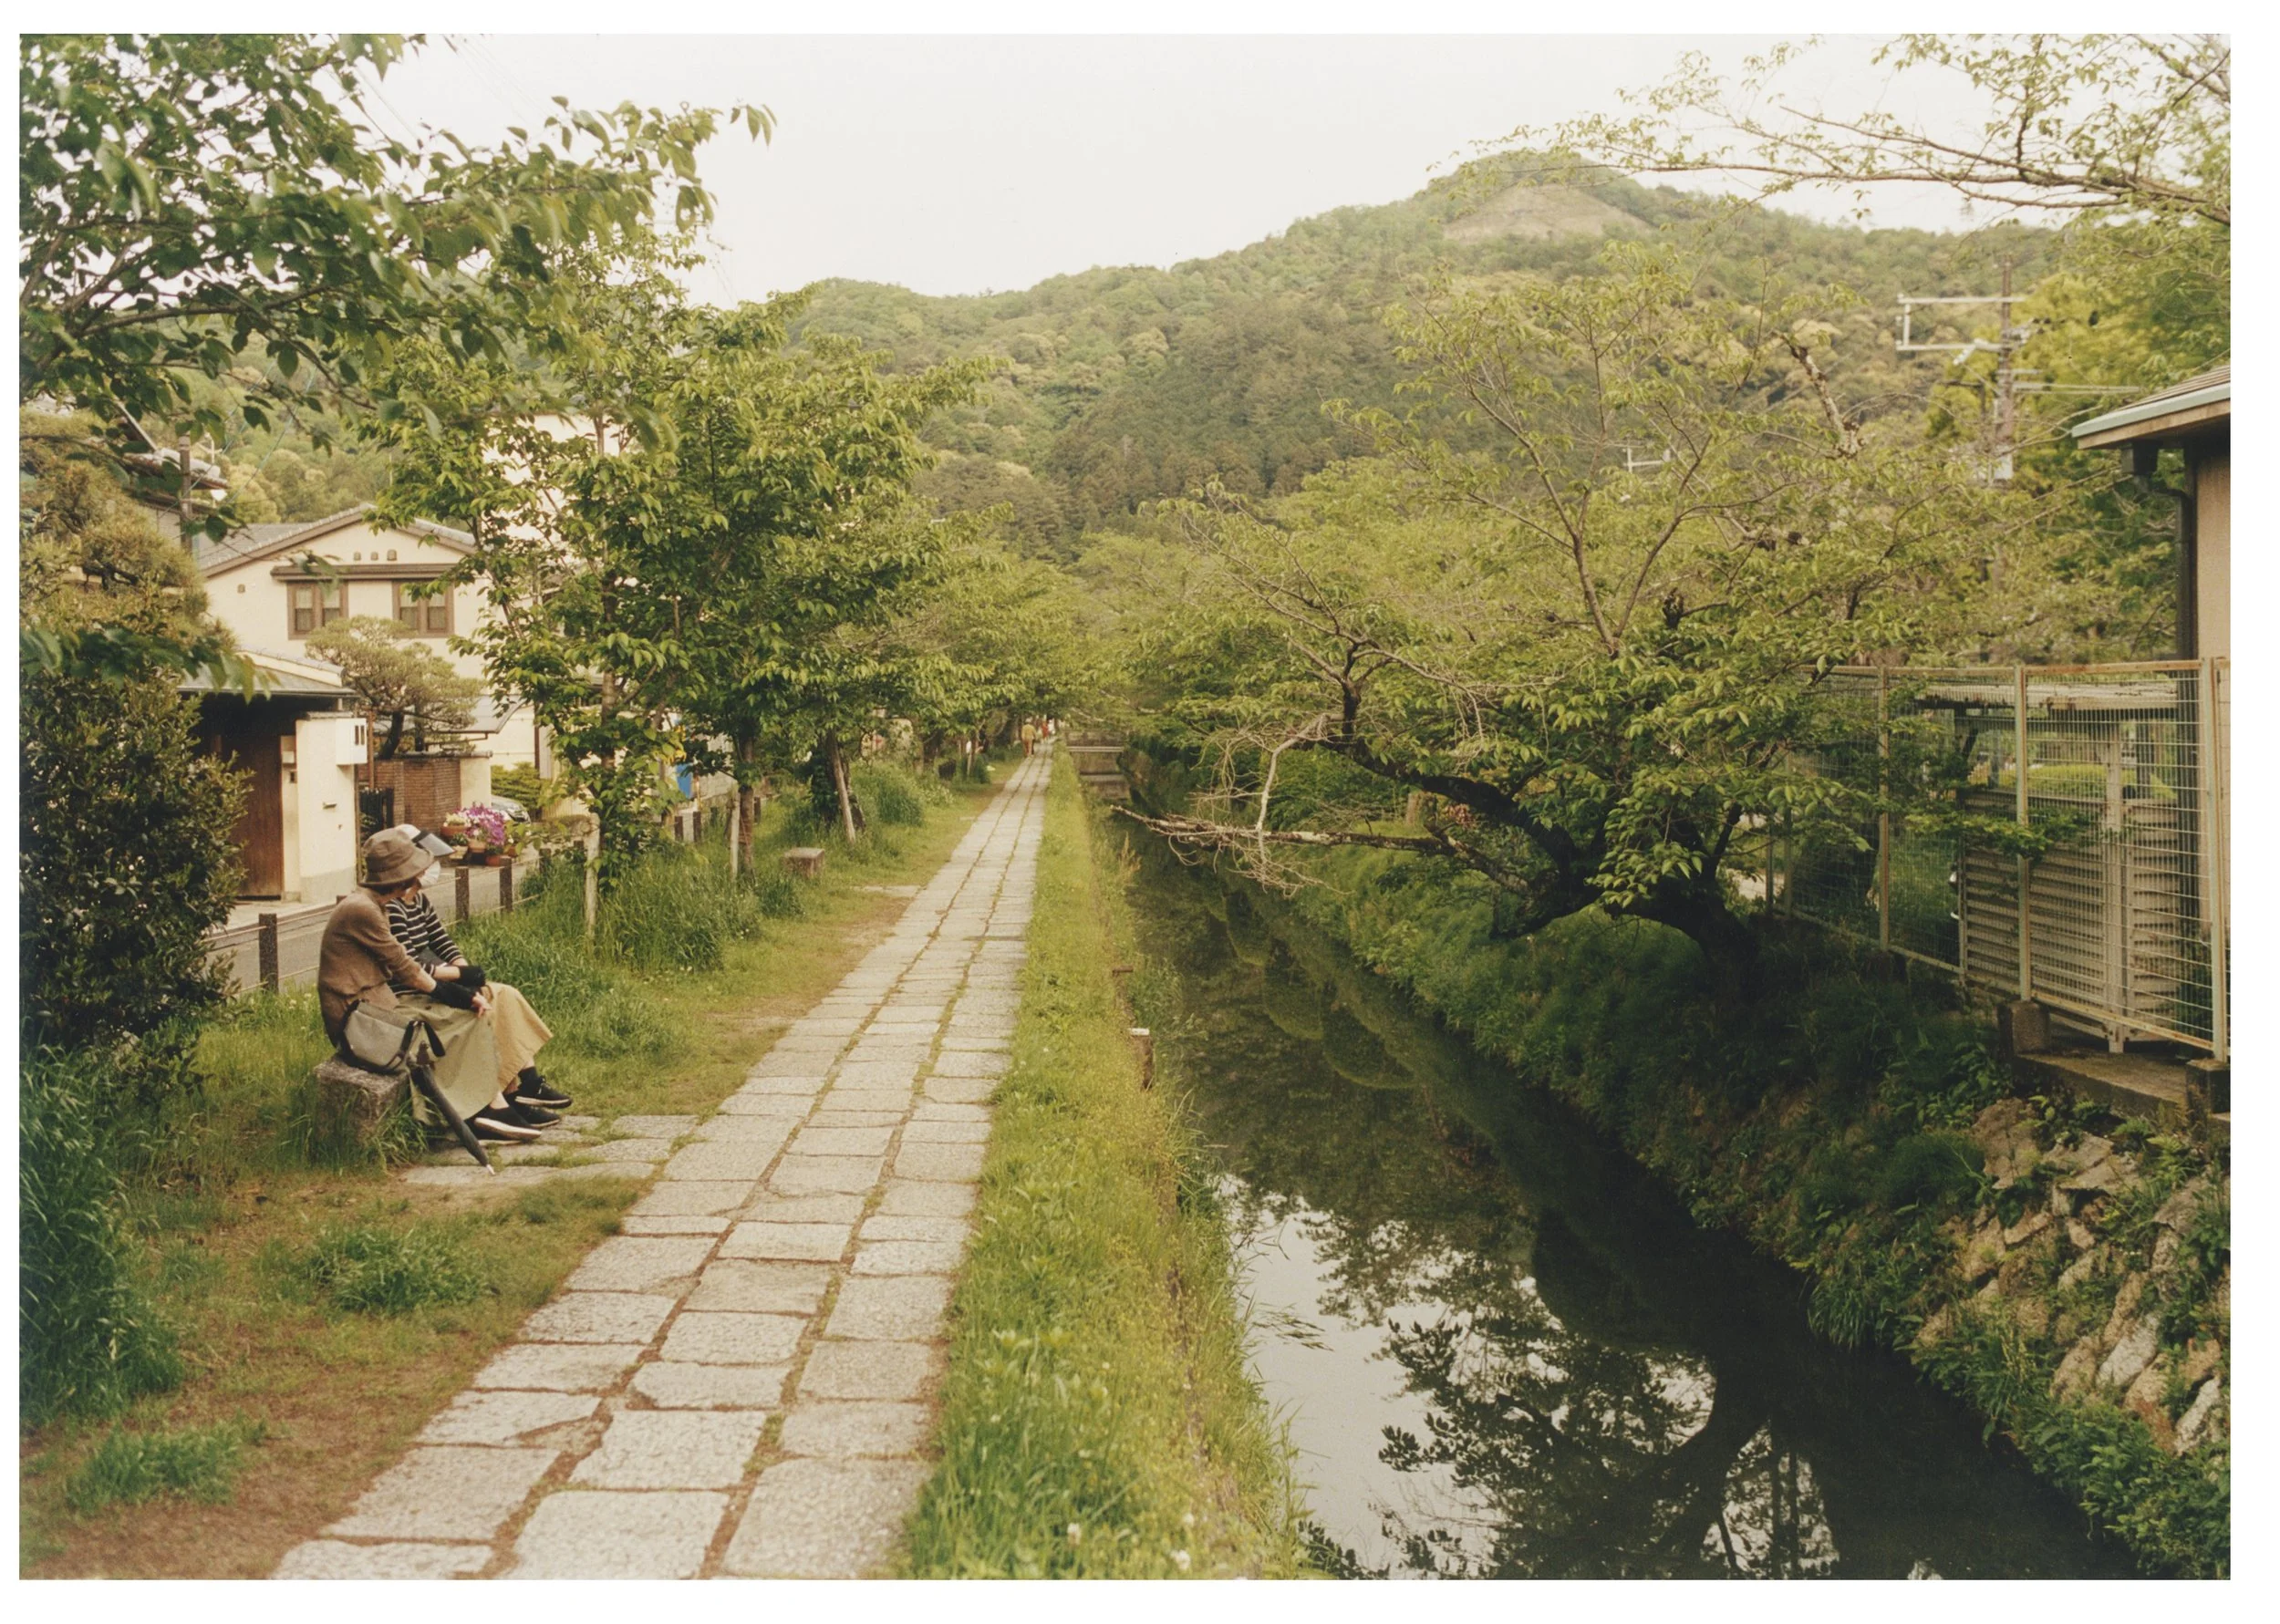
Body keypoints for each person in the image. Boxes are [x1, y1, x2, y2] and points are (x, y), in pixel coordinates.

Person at [316, 830, 538, 1143]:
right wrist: (463, 996)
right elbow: (409, 971)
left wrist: (462, 994)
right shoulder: (363, 910)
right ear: (403, 876)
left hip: (372, 1007)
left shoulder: (371, 904)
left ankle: (490, 1105)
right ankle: (482, 1110)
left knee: (460, 1019)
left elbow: (417, 961)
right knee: (457, 1023)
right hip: (357, 1020)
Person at [379, 825, 571, 1125]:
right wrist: (459, 976)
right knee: (482, 1012)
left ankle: (528, 1082)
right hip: (413, 993)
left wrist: (469, 975)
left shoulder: (419, 900)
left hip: (437, 982)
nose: (434, 868)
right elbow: (409, 966)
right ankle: (507, 1096)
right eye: (428, 861)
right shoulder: (391, 908)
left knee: (504, 994)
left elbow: (442, 941)